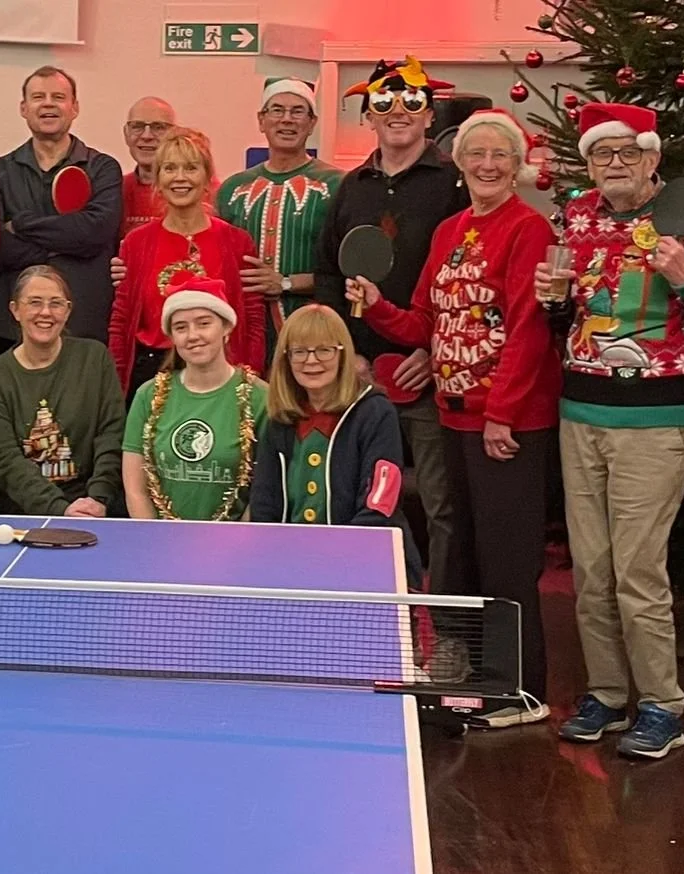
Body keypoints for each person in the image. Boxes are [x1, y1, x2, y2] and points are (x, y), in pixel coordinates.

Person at [540, 103, 684, 758]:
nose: (617, 165)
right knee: (592, 570)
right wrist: (551, 299)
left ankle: (662, 705)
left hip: (654, 419)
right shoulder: (573, 216)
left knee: (636, 570)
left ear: (654, 160)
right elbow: (558, 324)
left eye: (630, 153)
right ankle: (605, 692)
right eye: (605, 154)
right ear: (591, 163)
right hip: (580, 412)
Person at [347, 109, 557, 729]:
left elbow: (527, 328)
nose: (488, 164)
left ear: (517, 166)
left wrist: (503, 415)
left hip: (506, 426)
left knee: (508, 560)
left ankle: (521, 690)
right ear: (460, 163)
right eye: (477, 154)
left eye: (500, 154)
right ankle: (469, 677)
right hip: (452, 418)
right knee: (460, 554)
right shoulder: (450, 231)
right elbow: (426, 325)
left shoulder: (529, 230)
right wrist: (379, 308)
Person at [312, 56, 469, 621]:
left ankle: (445, 629)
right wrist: (344, 355)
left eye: (410, 103)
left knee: (439, 504)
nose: (397, 113)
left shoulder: (455, 184)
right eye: (383, 104)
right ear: (368, 117)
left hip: (427, 371)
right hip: (357, 376)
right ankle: (362, 611)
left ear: (430, 114)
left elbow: (466, 278)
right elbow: (328, 273)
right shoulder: (350, 187)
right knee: (359, 496)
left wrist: (433, 351)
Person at [107, 127, 267, 391]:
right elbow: (121, 320)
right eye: (170, 168)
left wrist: (249, 378)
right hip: (152, 370)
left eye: (191, 168)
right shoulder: (136, 243)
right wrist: (116, 382)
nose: (180, 178)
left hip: (222, 371)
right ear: (158, 179)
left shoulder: (237, 242)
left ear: (207, 178)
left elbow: (253, 320)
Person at [0, 66, 123, 357]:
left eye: (58, 97)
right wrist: (68, 245)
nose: (48, 103)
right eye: (38, 96)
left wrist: (20, 224)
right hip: (11, 332)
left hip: (85, 327)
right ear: (24, 108)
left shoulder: (103, 168)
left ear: (74, 108)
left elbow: (95, 233)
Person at [248, 305, 414, 545]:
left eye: (324, 350)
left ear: (343, 355)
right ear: (286, 359)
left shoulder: (375, 412)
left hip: (361, 552)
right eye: (300, 352)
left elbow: (381, 499)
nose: (311, 361)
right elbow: (265, 500)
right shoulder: (280, 418)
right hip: (289, 552)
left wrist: (340, 549)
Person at [0, 267, 125, 517]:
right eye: (34, 302)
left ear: (67, 311)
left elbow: (111, 434)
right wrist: (58, 508)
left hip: (94, 509)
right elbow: (4, 458)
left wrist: (98, 497)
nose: (45, 312)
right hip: (25, 513)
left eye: (56, 304)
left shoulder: (95, 358)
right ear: (15, 310)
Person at [216, 78, 344, 357]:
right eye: (277, 110)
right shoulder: (231, 189)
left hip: (313, 336)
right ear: (261, 120)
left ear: (312, 123)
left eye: (298, 111)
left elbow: (345, 271)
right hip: (242, 333)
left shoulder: (337, 185)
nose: (287, 119)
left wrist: (286, 282)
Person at [122, 279, 268, 521]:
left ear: (226, 327)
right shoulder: (147, 395)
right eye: (181, 327)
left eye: (204, 324)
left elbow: (265, 490)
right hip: (161, 543)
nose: (193, 336)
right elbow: (136, 490)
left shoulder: (261, 397)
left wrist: (240, 544)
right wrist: (151, 537)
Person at [120, 97, 178, 237]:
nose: (146, 136)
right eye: (137, 126)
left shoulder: (199, 191)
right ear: (126, 133)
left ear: (174, 134)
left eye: (158, 127)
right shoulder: (116, 189)